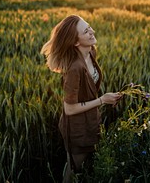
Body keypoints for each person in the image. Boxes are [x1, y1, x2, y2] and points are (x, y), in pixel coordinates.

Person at [41, 15, 122, 182]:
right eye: (86, 31)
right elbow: (69, 109)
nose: (92, 31)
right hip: (76, 128)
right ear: (76, 42)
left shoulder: (91, 52)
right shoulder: (74, 69)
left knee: (83, 165)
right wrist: (102, 100)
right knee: (73, 169)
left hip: (91, 121)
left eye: (89, 26)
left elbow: (90, 87)